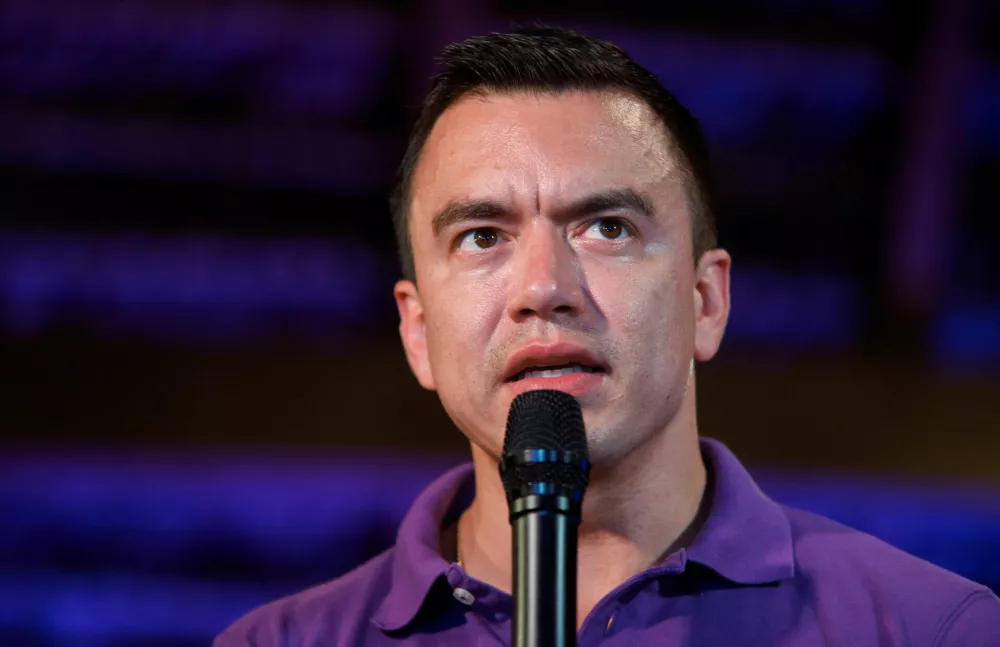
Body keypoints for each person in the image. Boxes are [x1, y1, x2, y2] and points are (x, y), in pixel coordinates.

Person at [214, 26, 1000, 646]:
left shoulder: (928, 628)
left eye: (606, 227)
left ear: (707, 299)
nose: (544, 289)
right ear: (416, 331)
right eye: (483, 236)